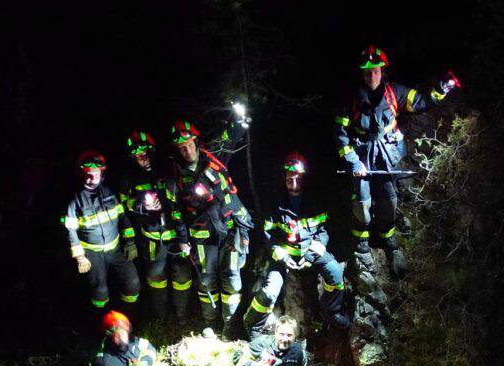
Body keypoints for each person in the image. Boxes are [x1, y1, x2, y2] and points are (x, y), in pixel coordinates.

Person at [335, 46, 459, 268]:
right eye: (367, 72)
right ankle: (361, 242)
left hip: (385, 155)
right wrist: (353, 161)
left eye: (375, 71)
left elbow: (422, 101)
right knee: (362, 201)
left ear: (383, 71)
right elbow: (340, 133)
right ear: (361, 73)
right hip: (362, 156)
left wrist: (443, 87)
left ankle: (387, 237)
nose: (371, 75)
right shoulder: (350, 99)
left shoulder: (395, 92)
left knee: (389, 198)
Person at [166, 105, 252, 337]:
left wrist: (240, 117)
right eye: (181, 148)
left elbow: (230, 137)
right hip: (202, 236)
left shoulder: (215, 156)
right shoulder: (175, 177)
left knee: (232, 279)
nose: (186, 150)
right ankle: (211, 323)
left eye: (188, 144)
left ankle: (230, 325)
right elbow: (175, 211)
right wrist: (183, 240)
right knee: (206, 281)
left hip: (230, 230)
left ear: (195, 141)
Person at [245, 152, 349, 334]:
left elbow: (324, 230)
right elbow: (268, 234)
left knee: (335, 273)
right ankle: (252, 326)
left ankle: (332, 312)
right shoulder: (275, 202)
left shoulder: (316, 200)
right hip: (284, 256)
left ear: (304, 178)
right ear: (283, 177)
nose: (293, 183)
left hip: (310, 252)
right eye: (289, 179)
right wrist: (282, 256)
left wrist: (310, 256)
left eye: (298, 179)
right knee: (269, 291)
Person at [117, 130, 186, 323]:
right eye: (137, 155)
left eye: (145, 152)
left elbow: (183, 197)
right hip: (152, 239)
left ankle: (181, 314)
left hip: (177, 237)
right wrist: (142, 205)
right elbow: (124, 207)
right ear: (132, 157)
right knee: (156, 278)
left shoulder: (169, 168)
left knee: (182, 276)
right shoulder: (129, 178)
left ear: (153, 150)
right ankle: (160, 316)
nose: (143, 158)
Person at [63, 149, 140, 311]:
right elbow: (70, 231)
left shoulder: (110, 192)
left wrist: (130, 242)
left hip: (116, 249)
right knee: (100, 290)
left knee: (132, 282)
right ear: (81, 173)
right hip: (92, 253)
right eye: (88, 175)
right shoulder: (75, 200)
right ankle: (101, 317)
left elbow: (123, 217)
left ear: (102, 173)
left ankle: (128, 315)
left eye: (96, 174)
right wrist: (80, 257)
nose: (92, 179)